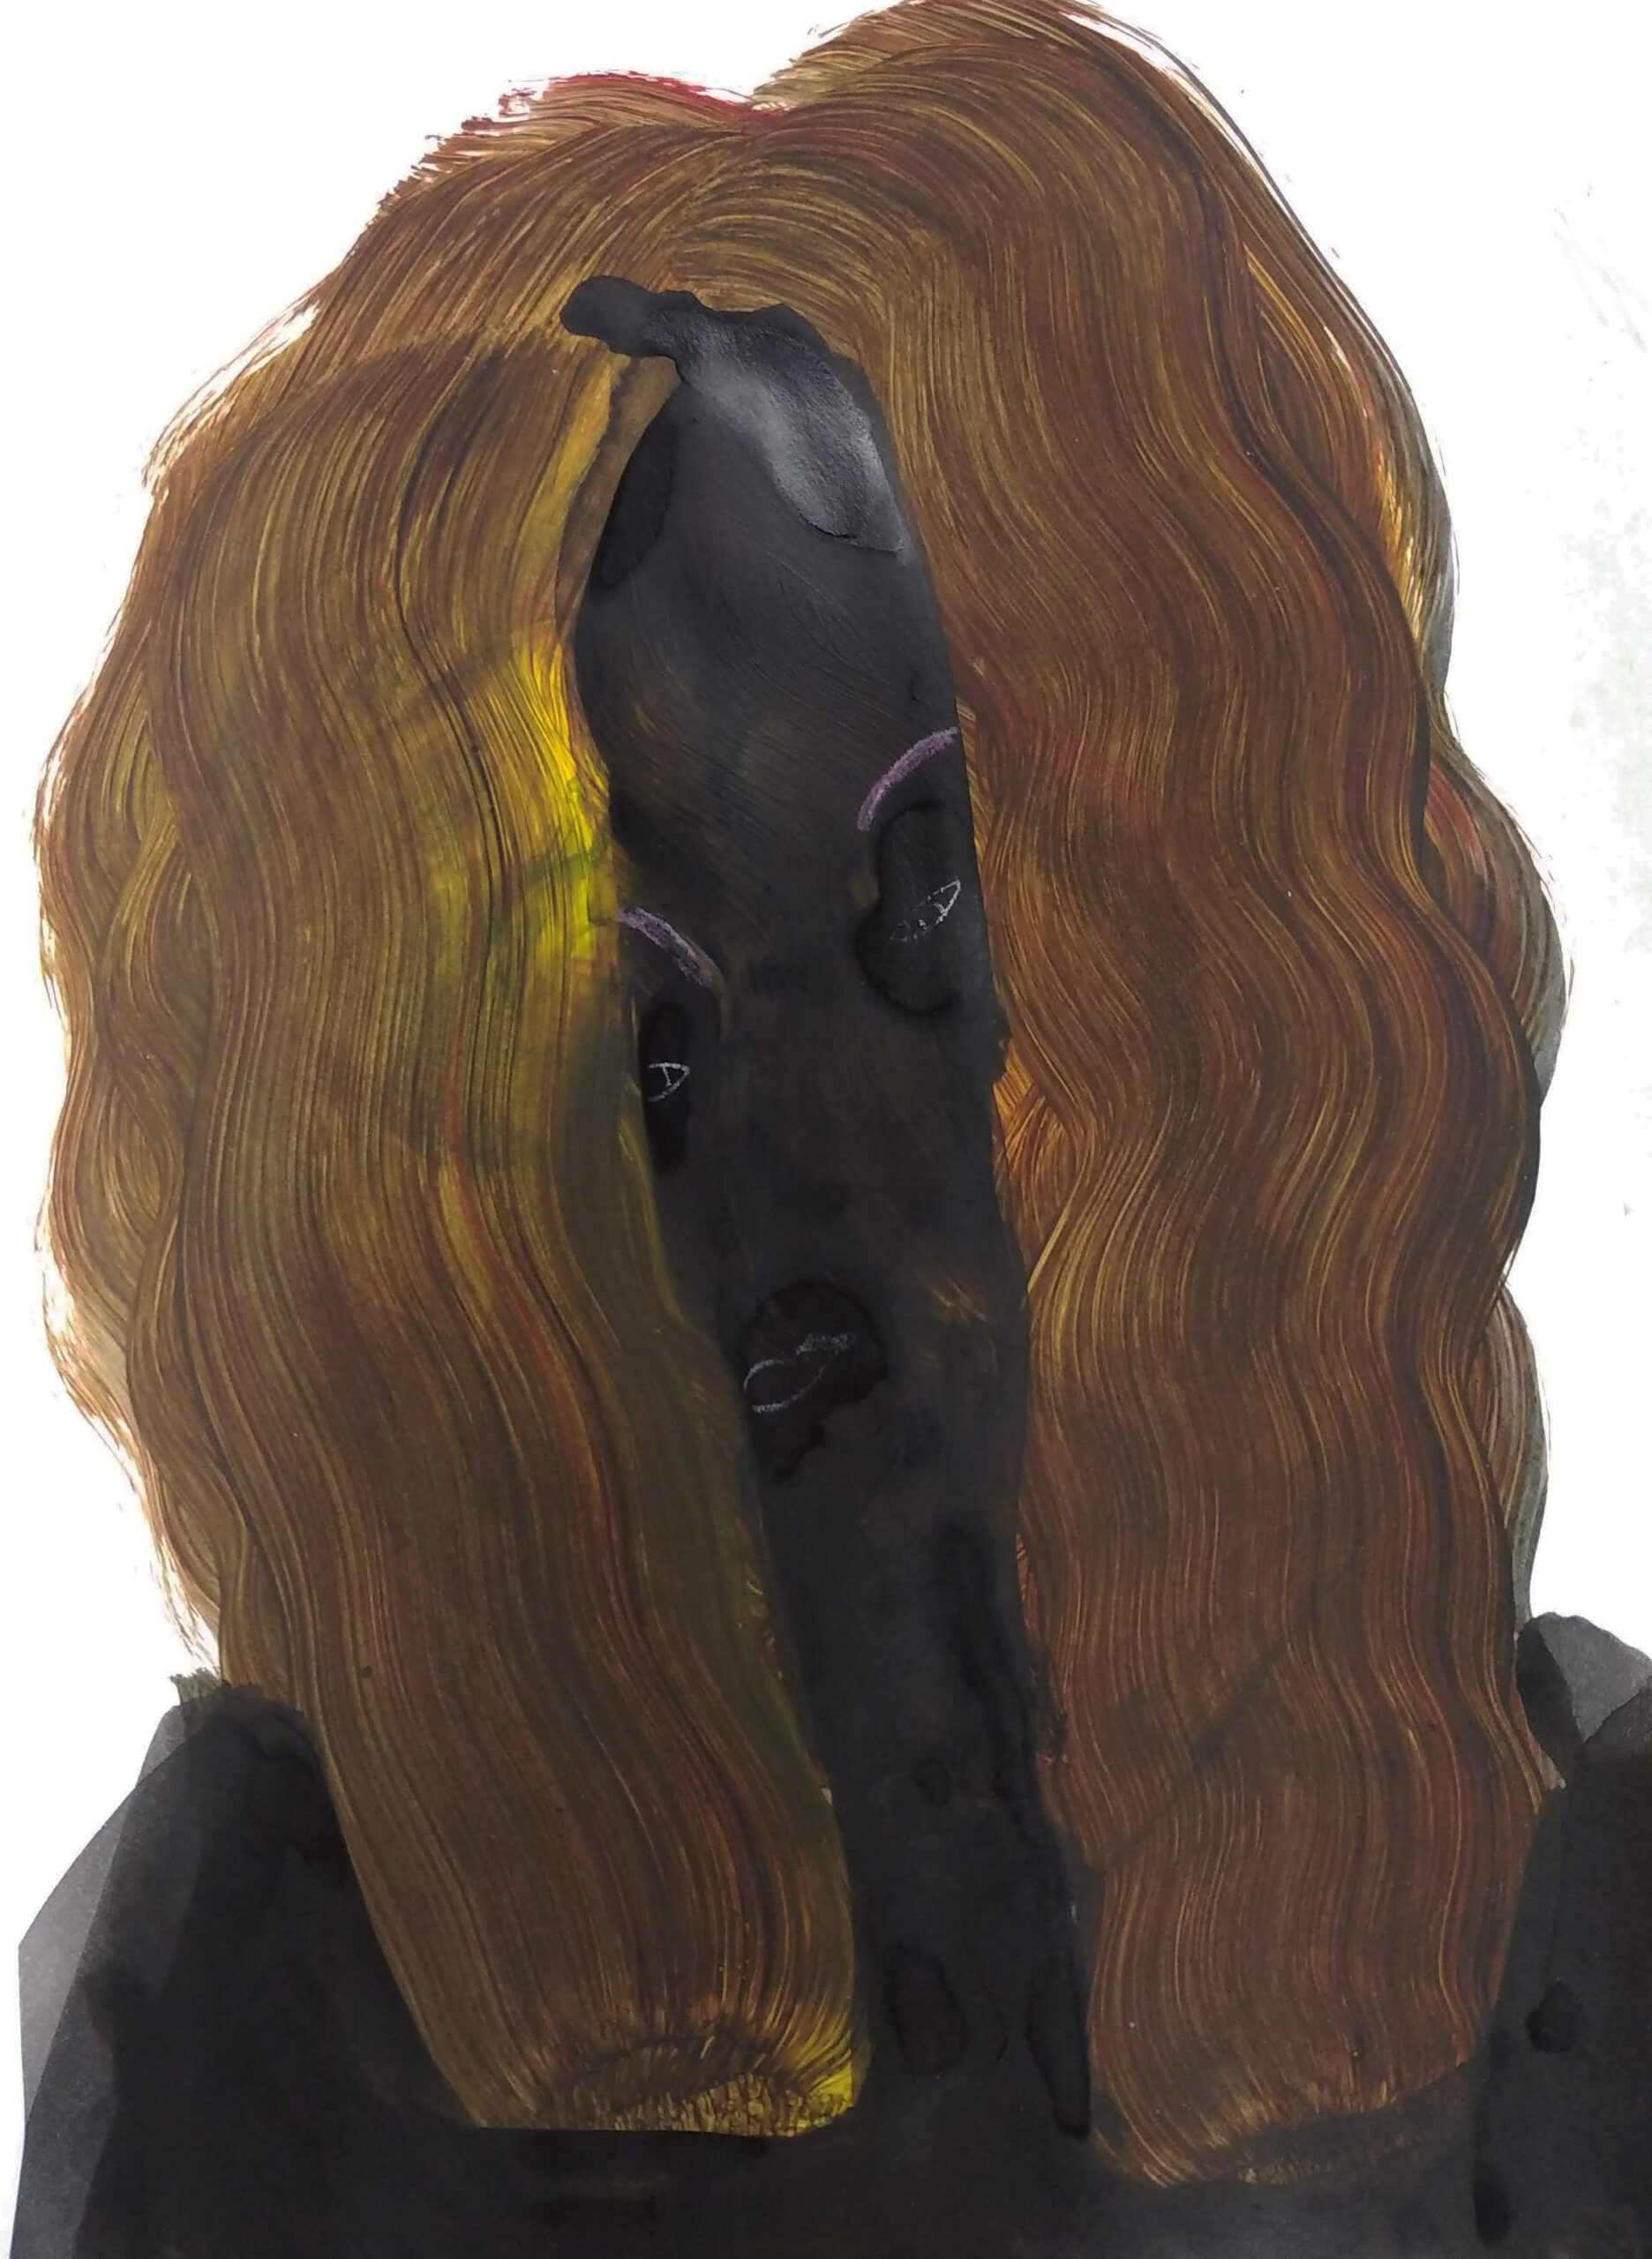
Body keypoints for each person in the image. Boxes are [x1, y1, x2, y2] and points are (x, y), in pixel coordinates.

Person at [15, 4, 1648, 2252]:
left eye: (929, 892)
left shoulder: (1574, 1883)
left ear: (1194, 939)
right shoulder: (272, 1955)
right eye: (649, 1029)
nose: (803, 1148)